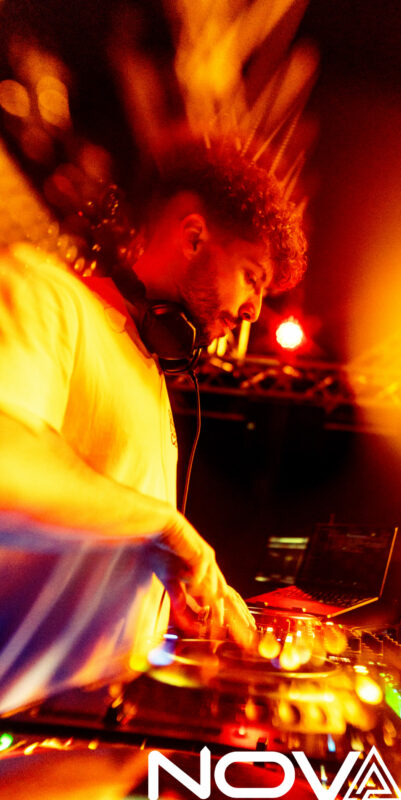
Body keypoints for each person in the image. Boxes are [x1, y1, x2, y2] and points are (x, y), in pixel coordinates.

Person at [0, 137, 307, 712]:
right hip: (19, 725)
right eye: (253, 277)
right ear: (193, 238)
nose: (253, 310)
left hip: (90, 720)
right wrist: (164, 527)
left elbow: (100, 526)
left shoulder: (150, 372)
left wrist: (178, 591)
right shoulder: (46, 295)